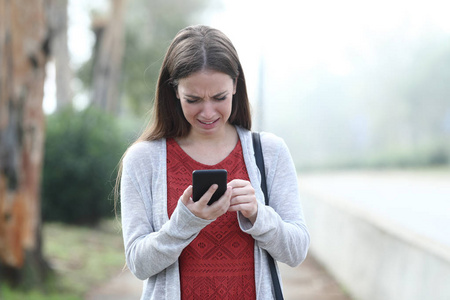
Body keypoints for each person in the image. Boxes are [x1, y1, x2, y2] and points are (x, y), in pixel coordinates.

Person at [116, 25, 310, 300]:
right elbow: (138, 263)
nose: (208, 113)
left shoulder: (269, 152)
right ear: (174, 91)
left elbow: (296, 251)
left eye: (219, 97)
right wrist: (185, 222)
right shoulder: (143, 160)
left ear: (235, 84)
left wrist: (258, 214)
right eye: (193, 99)